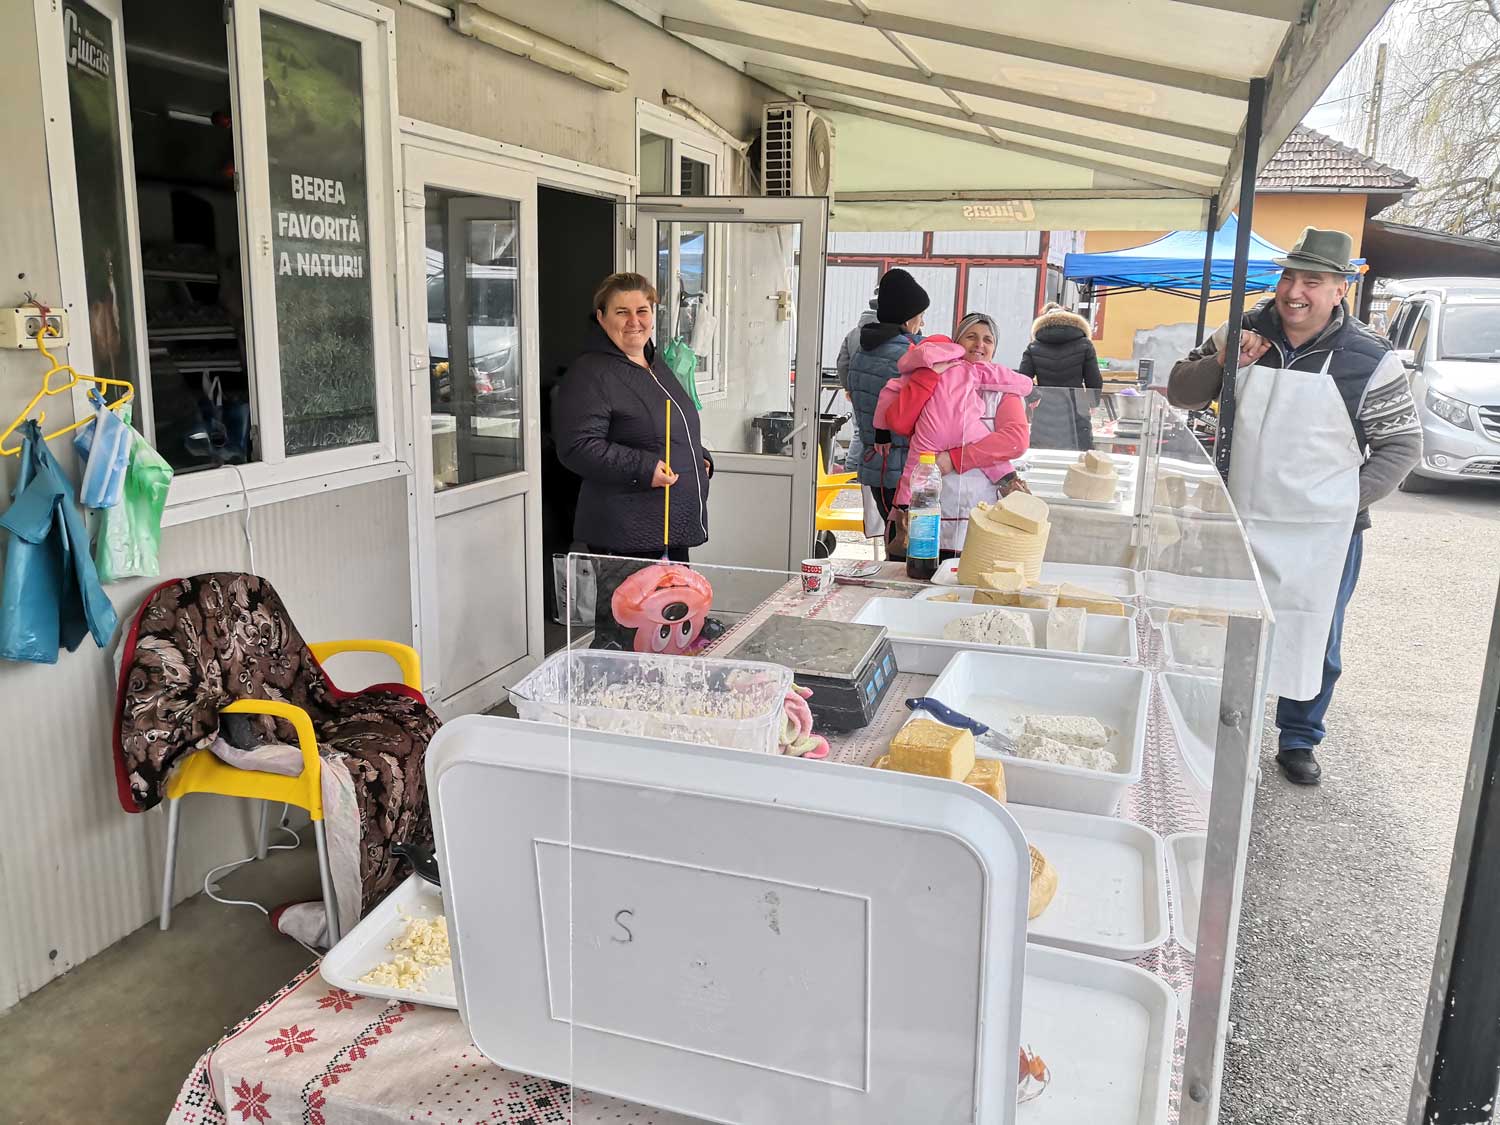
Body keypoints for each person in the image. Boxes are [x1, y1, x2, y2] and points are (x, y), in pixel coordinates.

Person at [1168, 227, 1421, 786]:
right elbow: (1183, 393)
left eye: (1313, 280)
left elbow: (1402, 446)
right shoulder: (1246, 330)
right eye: (1288, 277)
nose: (1295, 291)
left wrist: (1338, 505)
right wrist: (1222, 353)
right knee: (1231, 625)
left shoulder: (1369, 360)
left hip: (1323, 530)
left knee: (1315, 631)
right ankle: (1229, 722)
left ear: (1339, 290)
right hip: (1241, 513)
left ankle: (1300, 736)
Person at [554, 272, 713, 562]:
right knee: (632, 609)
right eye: (621, 312)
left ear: (653, 314)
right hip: (628, 537)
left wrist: (694, 456)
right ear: (601, 318)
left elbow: (663, 426)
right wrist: (643, 468)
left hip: (668, 530)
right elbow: (577, 447)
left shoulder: (654, 363)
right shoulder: (590, 373)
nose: (634, 321)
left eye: (642, 311)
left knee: (677, 607)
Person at [876, 314, 1032, 556]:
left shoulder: (1004, 392)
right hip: (930, 514)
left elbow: (1014, 441)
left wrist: (954, 458)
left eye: (988, 340)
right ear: (955, 344)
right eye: (971, 337)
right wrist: (928, 377)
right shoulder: (934, 376)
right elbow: (900, 421)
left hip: (979, 519)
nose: (979, 344)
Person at [846, 268, 929, 560]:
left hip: (875, 466)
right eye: (920, 315)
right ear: (909, 318)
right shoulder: (913, 354)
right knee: (916, 551)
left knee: (895, 544)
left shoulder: (862, 352)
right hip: (909, 468)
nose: (922, 322)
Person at [1019, 302, 1102, 452]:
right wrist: (1092, 402)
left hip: (1045, 408)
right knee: (1078, 455)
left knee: (1043, 454)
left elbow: (1023, 379)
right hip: (1077, 408)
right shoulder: (1085, 345)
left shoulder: (1033, 347)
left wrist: (1033, 396)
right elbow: (1094, 379)